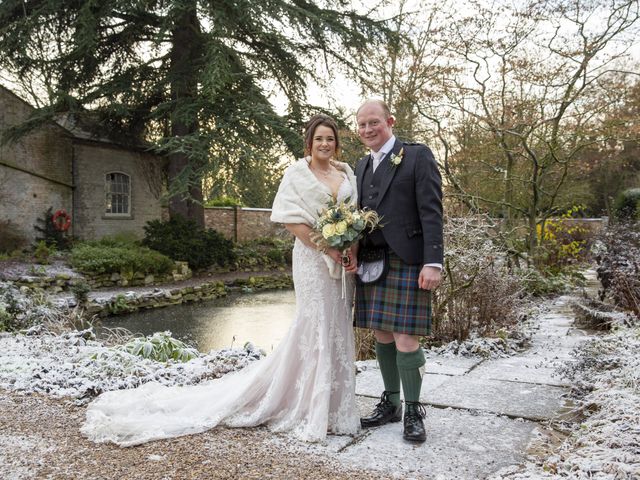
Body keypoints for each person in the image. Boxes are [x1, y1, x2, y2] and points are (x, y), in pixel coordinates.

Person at [81, 114, 360, 446]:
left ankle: (336, 406)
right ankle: (309, 405)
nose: (325, 144)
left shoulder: (346, 174)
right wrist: (328, 248)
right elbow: (289, 220)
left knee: (338, 324)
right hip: (313, 260)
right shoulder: (297, 174)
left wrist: (348, 249)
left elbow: (355, 217)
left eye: (330, 138)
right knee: (314, 325)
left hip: (343, 264)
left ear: (337, 142)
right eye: (319, 139)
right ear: (309, 143)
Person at [353, 99, 443, 443]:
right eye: (361, 125)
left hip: (409, 259)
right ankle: (390, 404)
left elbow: (432, 210)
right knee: (382, 334)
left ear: (389, 121)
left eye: (373, 122)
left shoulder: (416, 156)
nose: (367, 130)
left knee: (407, 337)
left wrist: (433, 262)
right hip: (373, 262)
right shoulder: (361, 165)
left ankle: (414, 410)